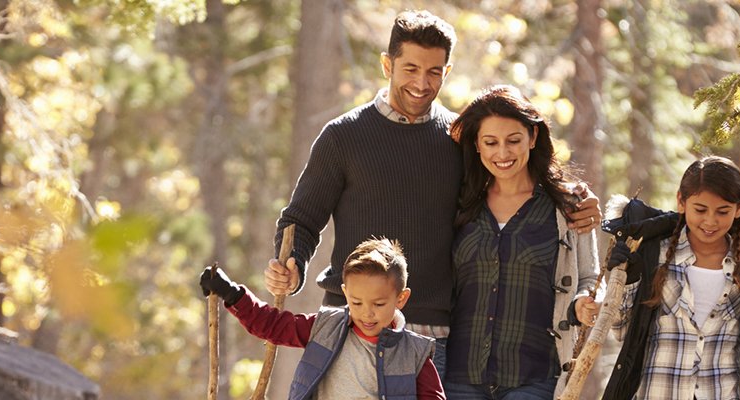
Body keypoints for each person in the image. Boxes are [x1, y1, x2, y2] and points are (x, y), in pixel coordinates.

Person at [265, 10, 601, 382]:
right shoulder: (342, 136)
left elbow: (512, 182)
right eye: (410, 68)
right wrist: (292, 265)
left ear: (447, 71)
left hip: (429, 337)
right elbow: (301, 221)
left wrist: (572, 198)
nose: (421, 83)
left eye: (434, 71)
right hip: (349, 326)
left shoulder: (459, 140)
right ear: (387, 64)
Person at [442, 85, 600, 399]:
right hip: (460, 375)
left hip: (534, 376)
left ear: (532, 137)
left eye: (513, 140)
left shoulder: (568, 205)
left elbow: (589, 276)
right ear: (476, 145)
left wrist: (583, 302)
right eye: (491, 142)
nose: (502, 153)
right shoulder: (460, 203)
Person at [597, 156, 740, 399]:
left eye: (723, 211)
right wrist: (627, 279)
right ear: (681, 202)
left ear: (738, 210)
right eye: (700, 209)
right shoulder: (654, 253)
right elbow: (622, 332)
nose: (710, 221)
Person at [200, 238, 444, 399]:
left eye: (379, 304)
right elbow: (274, 325)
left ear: (400, 299)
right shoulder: (326, 327)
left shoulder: (415, 353)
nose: (367, 313)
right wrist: (231, 293)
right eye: (356, 302)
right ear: (345, 293)